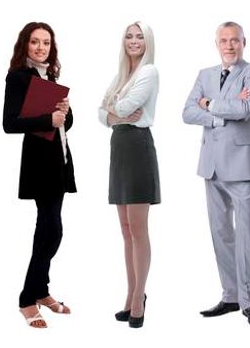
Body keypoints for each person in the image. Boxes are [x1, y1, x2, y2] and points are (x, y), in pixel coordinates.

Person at [184, 21, 250, 329]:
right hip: (212, 165)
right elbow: (187, 112)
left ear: (244, 42)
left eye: (235, 40)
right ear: (216, 44)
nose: (230, 46)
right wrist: (219, 115)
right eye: (224, 41)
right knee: (221, 234)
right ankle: (232, 295)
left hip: (242, 164)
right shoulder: (204, 74)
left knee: (247, 236)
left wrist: (208, 103)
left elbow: (246, 108)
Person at [2, 22, 77, 329]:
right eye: (35, 42)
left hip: (59, 160)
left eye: (46, 43)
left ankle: (41, 291)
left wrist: (66, 111)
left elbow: (65, 124)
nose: (41, 48)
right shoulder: (18, 77)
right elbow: (9, 123)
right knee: (51, 229)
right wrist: (50, 117)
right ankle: (26, 298)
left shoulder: (51, 75)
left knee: (47, 229)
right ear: (26, 45)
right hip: (39, 163)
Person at [99, 21, 160, 329]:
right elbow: (101, 113)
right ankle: (130, 293)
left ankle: (139, 297)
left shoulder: (148, 72)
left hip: (137, 147)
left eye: (140, 37)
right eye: (129, 36)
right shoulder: (122, 74)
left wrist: (113, 109)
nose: (134, 41)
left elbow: (127, 105)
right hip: (119, 147)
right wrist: (113, 112)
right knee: (125, 230)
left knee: (138, 229)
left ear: (147, 42)